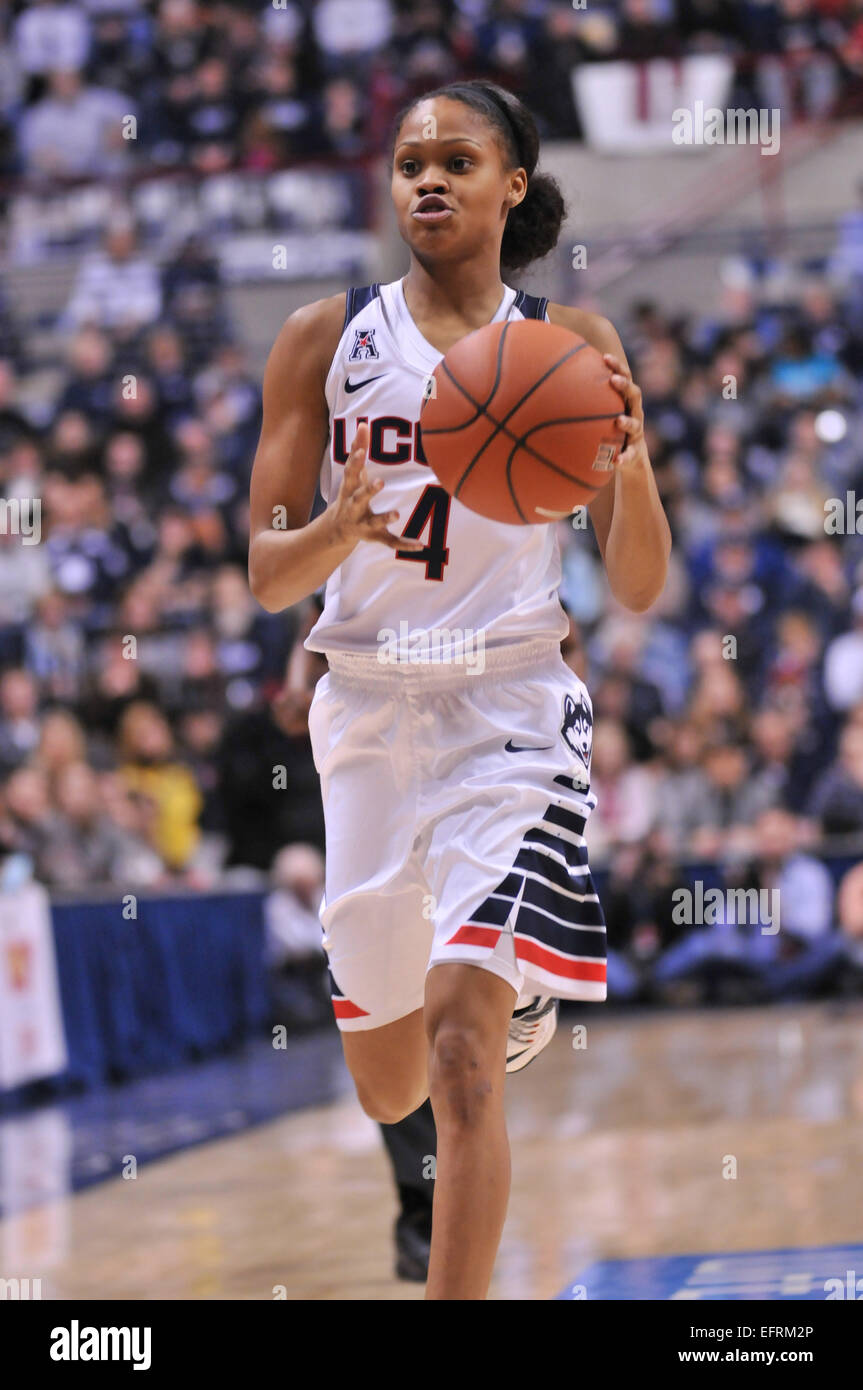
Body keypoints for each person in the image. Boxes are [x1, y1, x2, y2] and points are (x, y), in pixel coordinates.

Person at [248, 78, 670, 1300]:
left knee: (460, 1057)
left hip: (511, 706)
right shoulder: (321, 338)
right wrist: (334, 531)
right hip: (366, 710)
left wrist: (630, 459)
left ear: (510, 186)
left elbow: (636, 583)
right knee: (389, 1085)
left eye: (456, 160)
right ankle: (507, 994)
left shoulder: (573, 344)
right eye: (408, 162)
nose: (426, 179)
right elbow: (269, 575)